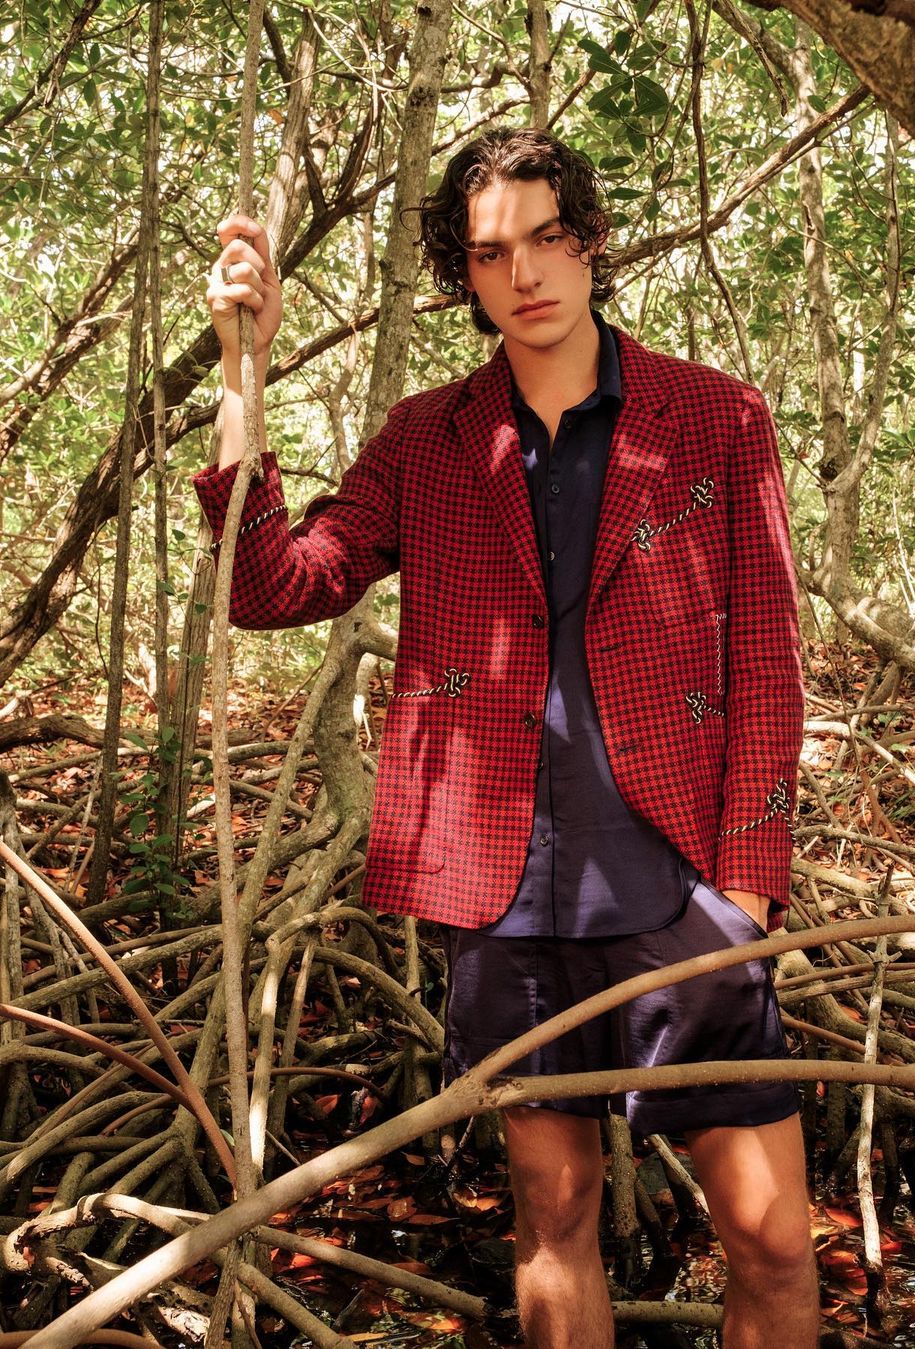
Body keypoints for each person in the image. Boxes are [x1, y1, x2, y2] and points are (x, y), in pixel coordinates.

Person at [195, 128, 818, 1349]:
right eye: (491, 253)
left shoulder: (715, 416)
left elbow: (768, 660)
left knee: (772, 1238)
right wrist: (241, 371)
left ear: (590, 242)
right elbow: (267, 585)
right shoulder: (429, 436)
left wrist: (748, 887)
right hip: (503, 890)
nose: (525, 272)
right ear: (463, 273)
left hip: (683, 881)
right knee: (554, 1212)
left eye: (548, 237)